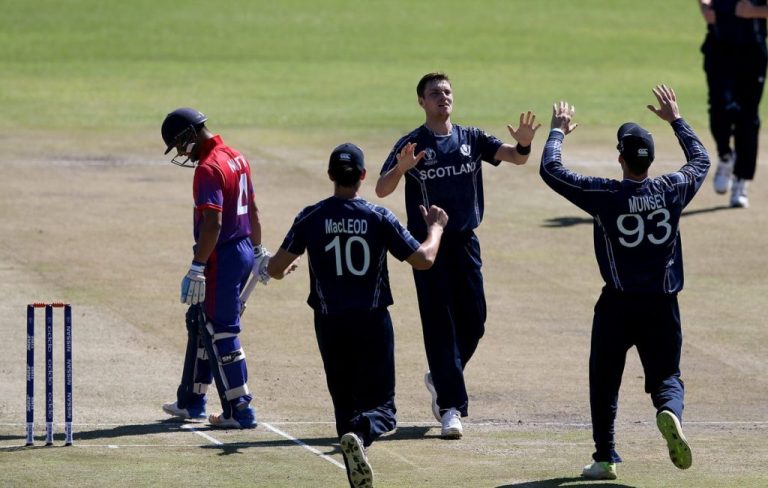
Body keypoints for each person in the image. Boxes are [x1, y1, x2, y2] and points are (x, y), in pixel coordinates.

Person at [540, 85, 709, 480]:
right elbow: (700, 159)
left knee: (604, 379)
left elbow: (551, 170)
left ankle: (605, 457)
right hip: (662, 304)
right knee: (666, 376)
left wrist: (557, 132)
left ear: (620, 157)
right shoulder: (673, 188)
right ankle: (669, 411)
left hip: (617, 305)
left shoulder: (607, 195)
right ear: (650, 160)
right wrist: (676, 120)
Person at [267, 143, 448, 488]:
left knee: (345, 405)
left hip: (329, 323)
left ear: (330, 175)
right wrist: (436, 228)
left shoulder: (310, 216)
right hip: (371, 321)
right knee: (383, 410)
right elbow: (424, 259)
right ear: (363, 175)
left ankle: (354, 445)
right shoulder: (378, 217)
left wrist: (286, 267)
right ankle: (362, 434)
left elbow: (275, 269)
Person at [375, 72, 540, 439]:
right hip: (427, 246)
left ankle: (441, 376)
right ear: (421, 101)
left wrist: (525, 144)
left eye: (447, 92)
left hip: (465, 241)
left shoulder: (471, 138)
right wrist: (402, 168)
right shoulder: (412, 144)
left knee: (475, 321)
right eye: (435, 93)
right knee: (440, 326)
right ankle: (451, 408)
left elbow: (514, 157)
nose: (443, 97)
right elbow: (382, 189)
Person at [159, 107, 271, 429]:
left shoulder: (208, 168)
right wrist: (258, 250)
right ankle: (191, 400)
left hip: (222, 256)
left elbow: (213, 222)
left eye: (179, 145)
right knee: (200, 321)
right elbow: (253, 209)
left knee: (221, 329)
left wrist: (198, 266)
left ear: (189, 135)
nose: (182, 153)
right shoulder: (236, 156)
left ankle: (240, 409)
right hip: (242, 248)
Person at [698, 0, 767, 207]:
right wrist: (704, 6)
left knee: (748, 116)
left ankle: (741, 181)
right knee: (719, 108)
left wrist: (754, 11)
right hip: (719, 46)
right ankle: (725, 155)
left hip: (752, 50)